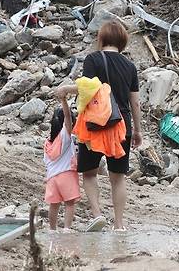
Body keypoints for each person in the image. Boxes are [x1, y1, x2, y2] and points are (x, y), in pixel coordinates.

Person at [54, 20, 142, 232]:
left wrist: (66, 88)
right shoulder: (130, 67)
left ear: (101, 38)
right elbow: (135, 102)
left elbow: (87, 88)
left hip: (94, 125)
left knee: (90, 173)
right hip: (121, 125)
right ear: (122, 41)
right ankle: (119, 225)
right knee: (118, 178)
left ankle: (98, 214)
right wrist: (138, 130)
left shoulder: (94, 59)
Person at [43, 98, 80, 231]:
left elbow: (46, 162)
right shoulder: (65, 136)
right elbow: (68, 118)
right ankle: (66, 228)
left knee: (54, 205)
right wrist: (64, 100)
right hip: (67, 175)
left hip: (52, 178)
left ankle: (52, 229)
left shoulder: (47, 143)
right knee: (69, 203)